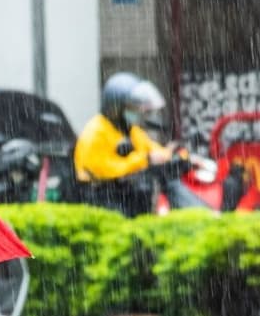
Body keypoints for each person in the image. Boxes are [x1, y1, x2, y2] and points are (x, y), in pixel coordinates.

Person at [74, 71, 180, 217]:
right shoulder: (94, 132)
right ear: (116, 108)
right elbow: (106, 170)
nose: (139, 112)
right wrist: (145, 160)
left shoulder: (129, 129)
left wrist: (175, 155)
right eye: (133, 108)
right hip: (101, 196)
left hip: (125, 193)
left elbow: (150, 148)